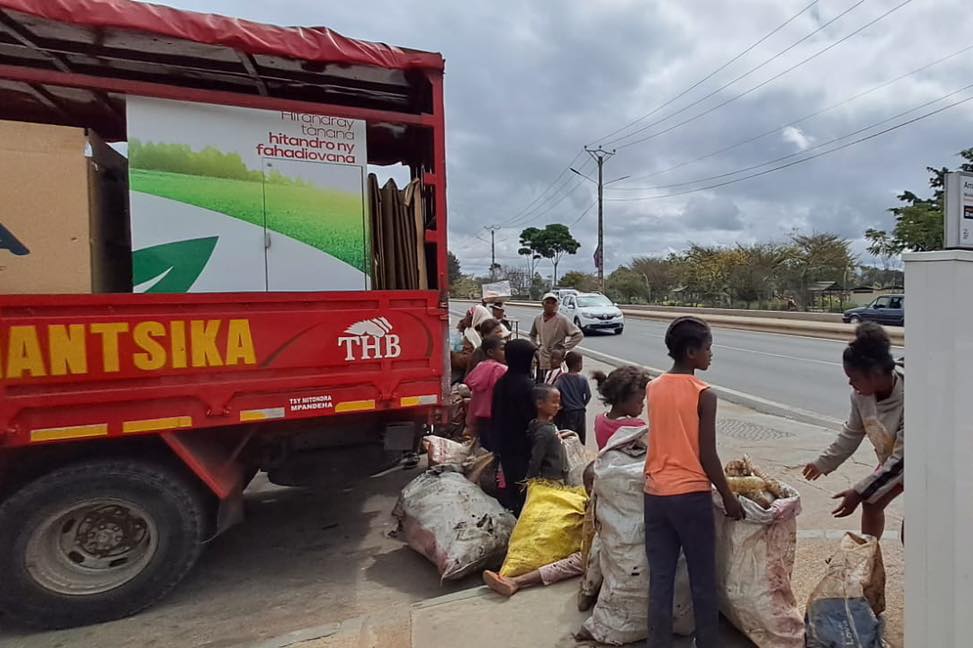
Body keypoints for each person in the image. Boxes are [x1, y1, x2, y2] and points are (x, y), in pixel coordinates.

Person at [643, 316, 744, 648]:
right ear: (691, 352)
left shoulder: (653, 387)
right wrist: (728, 496)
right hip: (691, 497)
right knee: (702, 579)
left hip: (655, 495)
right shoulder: (704, 394)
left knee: (660, 579)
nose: (711, 353)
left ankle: (657, 643)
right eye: (707, 347)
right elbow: (708, 456)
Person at [803, 322, 904, 539]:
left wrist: (858, 491)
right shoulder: (861, 396)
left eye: (855, 378)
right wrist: (824, 462)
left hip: (924, 465)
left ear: (876, 374)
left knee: (915, 527)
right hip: (894, 460)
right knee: (872, 502)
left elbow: (903, 459)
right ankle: (868, 558)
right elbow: (852, 432)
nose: (850, 383)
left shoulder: (912, 396)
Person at [482, 462, 596, 597]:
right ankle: (514, 580)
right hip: (593, 551)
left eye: (593, 487)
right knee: (579, 559)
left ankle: (516, 581)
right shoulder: (592, 505)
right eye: (589, 489)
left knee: (579, 561)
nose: (591, 492)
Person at [490, 338, 538, 515]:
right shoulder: (526, 385)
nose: (534, 362)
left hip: (504, 442)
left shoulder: (502, 382)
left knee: (512, 483)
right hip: (521, 446)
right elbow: (531, 418)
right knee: (523, 486)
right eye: (531, 357)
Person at [591, 365, 652, 450]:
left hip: (604, 461)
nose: (642, 405)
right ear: (622, 399)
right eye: (639, 401)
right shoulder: (636, 427)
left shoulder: (599, 420)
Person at [464, 336, 507, 450]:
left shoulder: (480, 367)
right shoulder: (501, 370)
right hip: (497, 416)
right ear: (491, 352)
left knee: (485, 448)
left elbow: (475, 398)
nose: (505, 352)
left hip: (480, 416)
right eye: (502, 349)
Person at [530, 293, 583, 383]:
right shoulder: (538, 319)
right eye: (548, 302)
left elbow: (578, 335)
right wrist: (536, 347)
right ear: (543, 304)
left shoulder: (562, 319)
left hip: (555, 358)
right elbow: (532, 335)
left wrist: (563, 348)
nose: (550, 305)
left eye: (553, 303)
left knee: (554, 382)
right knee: (540, 383)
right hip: (542, 357)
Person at [526, 383, 568, 482]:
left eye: (558, 403)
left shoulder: (546, 426)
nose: (557, 406)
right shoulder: (545, 431)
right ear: (539, 403)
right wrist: (529, 479)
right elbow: (536, 459)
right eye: (553, 402)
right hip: (551, 479)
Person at [554, 351, 591, 443]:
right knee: (581, 435)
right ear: (578, 364)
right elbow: (588, 395)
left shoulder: (561, 379)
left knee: (569, 435)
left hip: (568, 411)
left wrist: (561, 404)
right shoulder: (583, 379)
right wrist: (582, 404)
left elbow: (555, 391)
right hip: (580, 411)